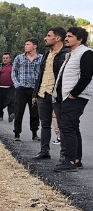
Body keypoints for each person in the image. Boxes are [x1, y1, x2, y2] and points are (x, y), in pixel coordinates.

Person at [52, 27, 93, 172]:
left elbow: (86, 76)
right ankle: (76, 160)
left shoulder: (86, 53)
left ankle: (69, 162)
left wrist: (73, 94)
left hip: (75, 97)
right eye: (66, 36)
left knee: (68, 127)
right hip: (67, 96)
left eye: (70, 36)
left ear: (79, 39)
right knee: (73, 127)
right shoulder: (72, 54)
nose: (66, 38)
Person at [31, 27, 69, 159]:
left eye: (48, 36)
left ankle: (64, 155)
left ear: (57, 38)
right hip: (42, 94)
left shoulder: (66, 54)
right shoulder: (47, 54)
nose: (45, 38)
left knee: (62, 125)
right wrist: (35, 94)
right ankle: (44, 151)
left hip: (57, 95)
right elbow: (40, 75)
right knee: (45, 124)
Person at [12, 38, 43, 141]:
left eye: (28, 44)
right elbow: (14, 72)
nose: (25, 46)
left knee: (35, 113)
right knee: (18, 111)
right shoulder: (19, 58)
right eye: (25, 44)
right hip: (21, 89)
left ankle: (34, 134)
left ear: (35, 46)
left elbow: (43, 73)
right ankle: (17, 134)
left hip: (34, 89)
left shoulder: (41, 58)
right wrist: (17, 85)